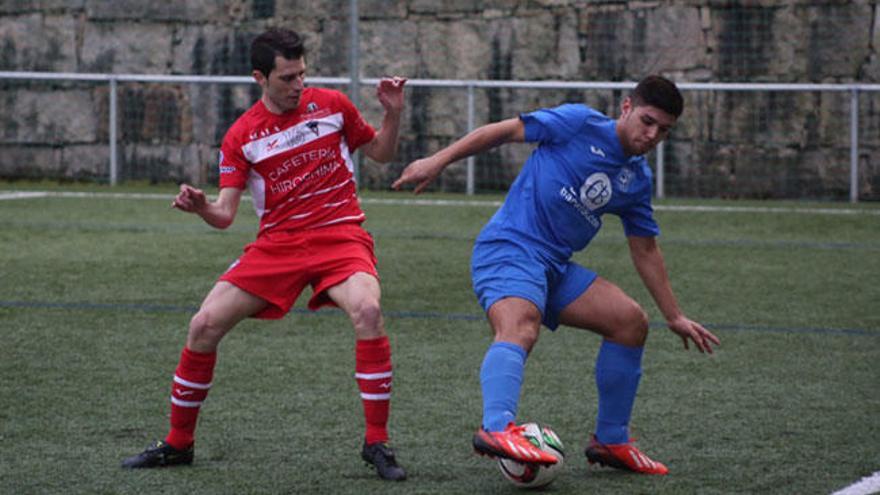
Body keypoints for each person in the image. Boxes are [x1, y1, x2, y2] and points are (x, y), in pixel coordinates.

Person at [392, 75, 720, 475]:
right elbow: (504, 131)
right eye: (647, 121)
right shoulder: (579, 123)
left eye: (664, 130)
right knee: (521, 327)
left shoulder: (636, 179)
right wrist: (439, 159)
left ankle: (612, 440)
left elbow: (646, 249)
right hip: (508, 249)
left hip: (553, 268)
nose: (652, 135)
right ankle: (496, 428)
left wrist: (674, 315)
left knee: (630, 322)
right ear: (627, 108)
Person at [121, 28, 408, 481]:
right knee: (203, 324)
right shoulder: (242, 135)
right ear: (261, 78)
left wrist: (392, 115)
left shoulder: (332, 105)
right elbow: (225, 215)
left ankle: (377, 444)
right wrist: (201, 207)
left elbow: (382, 154)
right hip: (278, 246)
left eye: (302, 75)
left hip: (340, 237)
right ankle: (178, 444)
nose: (298, 85)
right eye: (287, 77)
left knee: (368, 311)